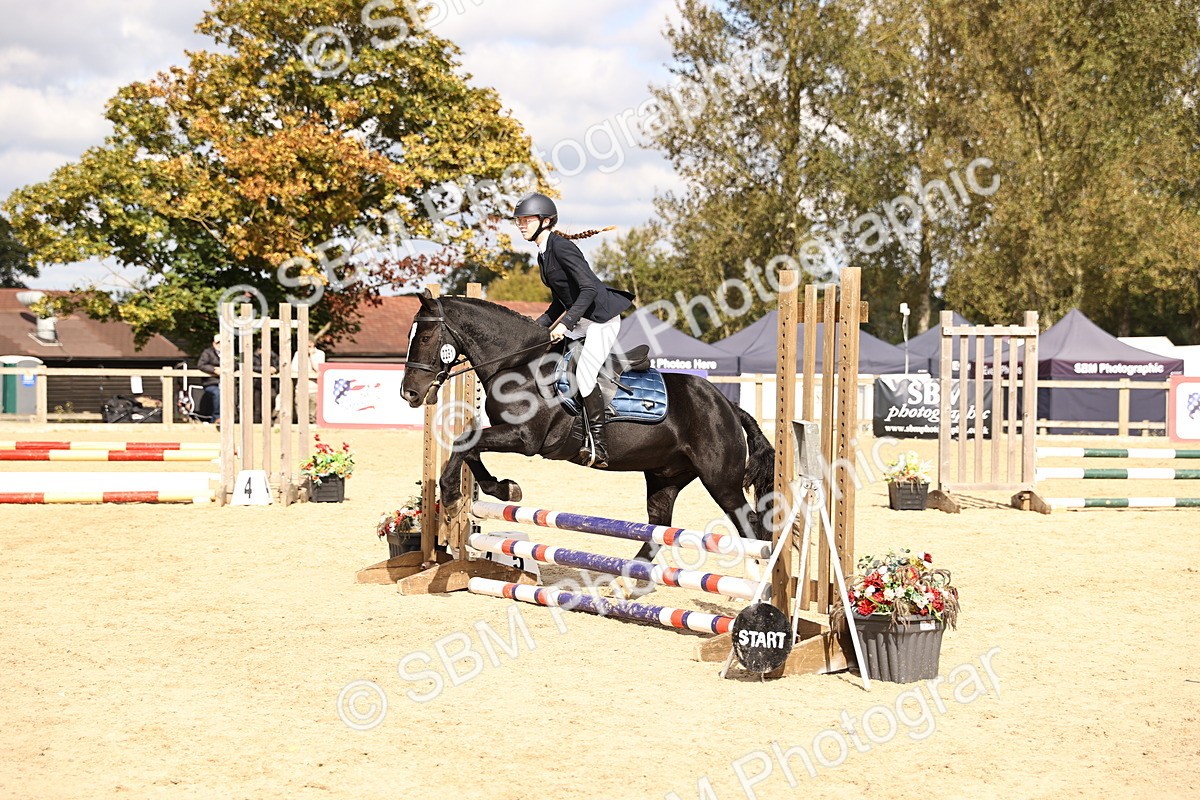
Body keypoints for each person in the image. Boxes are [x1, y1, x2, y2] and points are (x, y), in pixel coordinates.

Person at [513, 192, 633, 468]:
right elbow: (560, 301)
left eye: (526, 219)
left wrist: (565, 325)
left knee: (585, 375)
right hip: (581, 321)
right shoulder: (543, 254)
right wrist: (537, 328)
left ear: (546, 221)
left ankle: (599, 446)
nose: (521, 224)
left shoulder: (562, 247)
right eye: (518, 220)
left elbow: (589, 288)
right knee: (548, 361)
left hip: (601, 320)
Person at [290, 338, 326, 423]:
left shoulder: (320, 354)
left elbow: (318, 368)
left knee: (313, 414)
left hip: (315, 388)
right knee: (301, 414)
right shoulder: (298, 354)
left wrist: (312, 356)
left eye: (310, 345)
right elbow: (294, 369)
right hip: (301, 388)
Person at [197, 334, 222, 424]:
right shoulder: (207, 352)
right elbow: (201, 365)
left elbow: (235, 364)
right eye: (218, 342)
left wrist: (225, 369)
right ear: (214, 343)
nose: (220, 345)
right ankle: (217, 417)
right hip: (211, 383)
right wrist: (214, 370)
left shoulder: (228, 353)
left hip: (226, 383)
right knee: (217, 393)